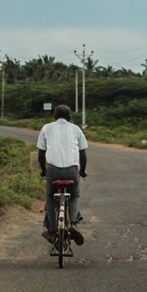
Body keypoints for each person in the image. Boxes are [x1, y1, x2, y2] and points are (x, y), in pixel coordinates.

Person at [37, 104, 88, 246]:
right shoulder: (76, 129)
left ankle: (52, 230)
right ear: (70, 117)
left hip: (53, 171)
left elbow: (41, 153)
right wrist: (82, 171)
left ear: (54, 116)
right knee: (75, 196)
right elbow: (82, 153)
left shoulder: (46, 128)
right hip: (72, 171)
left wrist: (43, 170)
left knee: (50, 197)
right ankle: (72, 222)